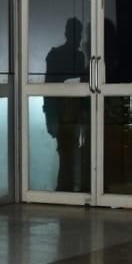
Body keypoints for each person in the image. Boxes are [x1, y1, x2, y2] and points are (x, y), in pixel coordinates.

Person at [43, 17, 90, 192]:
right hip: (65, 111)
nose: (77, 37)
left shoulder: (76, 56)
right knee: (68, 153)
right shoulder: (67, 55)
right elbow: (50, 87)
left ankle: (67, 188)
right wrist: (51, 116)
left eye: (78, 33)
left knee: (68, 153)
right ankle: (67, 188)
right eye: (75, 33)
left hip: (71, 111)